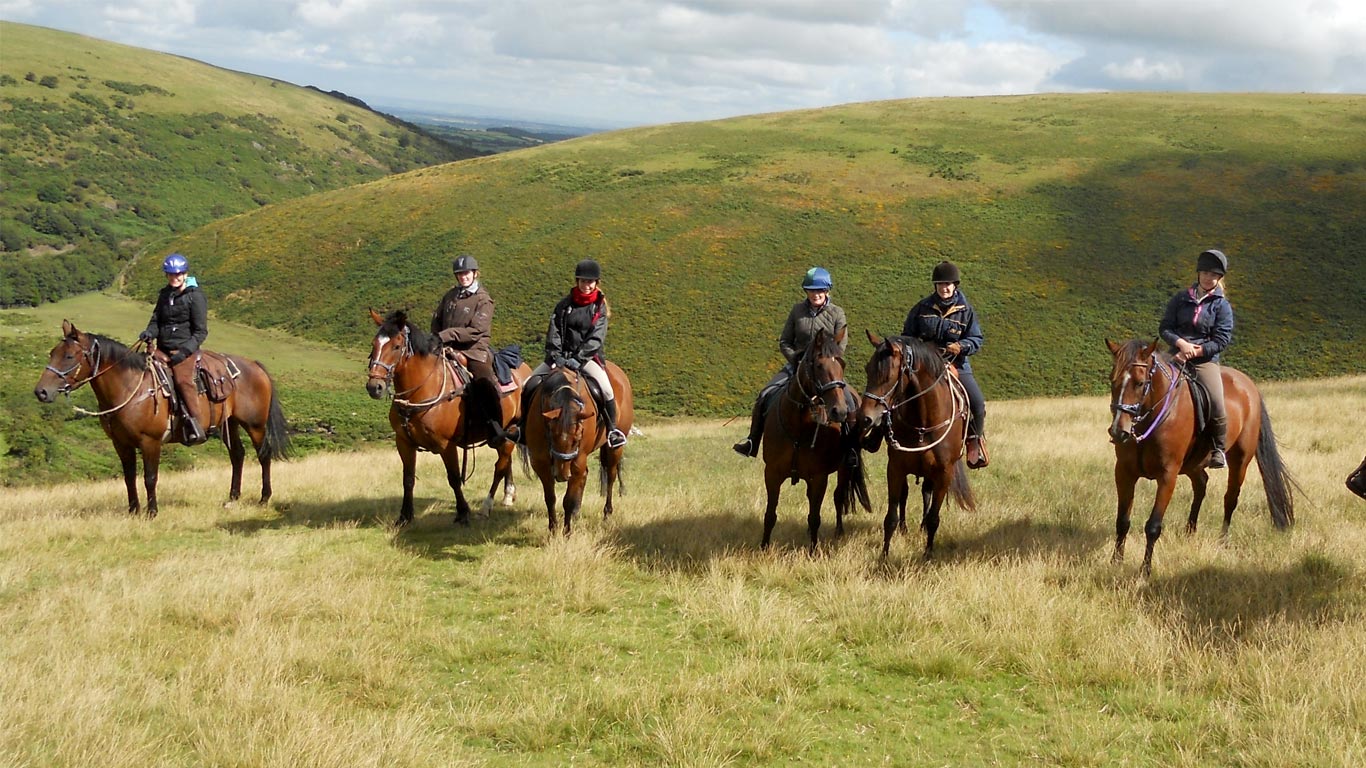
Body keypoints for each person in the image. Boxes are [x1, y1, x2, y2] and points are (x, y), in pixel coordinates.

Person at [733, 267, 849, 458]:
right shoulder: (797, 310)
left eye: (819, 290)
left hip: (826, 369)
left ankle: (849, 449)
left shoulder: (837, 313)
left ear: (827, 291)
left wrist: (827, 362)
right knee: (764, 395)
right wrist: (796, 359)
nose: (815, 294)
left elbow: (840, 344)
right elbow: (785, 341)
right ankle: (752, 442)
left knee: (849, 403)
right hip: (796, 366)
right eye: (811, 290)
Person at [520, 259, 627, 448]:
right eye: (583, 281)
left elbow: (596, 338)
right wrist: (556, 355)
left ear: (596, 283)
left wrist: (578, 359)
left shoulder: (599, 307)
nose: (586, 285)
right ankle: (521, 429)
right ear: (577, 281)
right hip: (560, 357)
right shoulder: (563, 305)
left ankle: (612, 431)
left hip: (587, 359)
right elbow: (554, 331)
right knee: (528, 385)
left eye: (590, 282)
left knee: (607, 390)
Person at [902, 260, 989, 468]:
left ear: (955, 285)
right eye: (941, 284)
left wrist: (961, 346)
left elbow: (977, 339)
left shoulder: (966, 311)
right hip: (925, 366)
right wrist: (920, 350)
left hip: (956, 365)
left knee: (978, 404)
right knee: (894, 395)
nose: (945, 288)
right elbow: (907, 336)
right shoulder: (922, 308)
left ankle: (974, 443)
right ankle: (879, 436)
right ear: (935, 286)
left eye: (949, 284)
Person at [1159, 248, 1234, 469]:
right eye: (1204, 273)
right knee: (1146, 382)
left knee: (1217, 400)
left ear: (1218, 278)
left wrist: (1197, 351)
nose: (1207, 278)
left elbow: (1221, 340)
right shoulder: (1181, 298)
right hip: (1176, 352)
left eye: (1212, 275)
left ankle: (1218, 448)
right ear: (1198, 274)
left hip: (1204, 360)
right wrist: (1180, 344)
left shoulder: (1222, 306)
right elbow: (1165, 327)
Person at [431, 254, 509, 447]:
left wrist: (446, 335)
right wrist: (436, 336)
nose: (463, 277)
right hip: (446, 347)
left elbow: (476, 331)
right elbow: (437, 318)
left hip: (474, 350)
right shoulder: (450, 295)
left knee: (484, 381)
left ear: (475, 273)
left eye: (466, 273)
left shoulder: (483, 299)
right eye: (459, 274)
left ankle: (495, 426)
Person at [138, 252, 209, 445]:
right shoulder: (164, 295)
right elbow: (156, 321)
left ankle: (196, 425)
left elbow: (201, 332)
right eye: (170, 274)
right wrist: (149, 333)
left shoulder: (195, 297)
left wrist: (183, 353)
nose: (174, 278)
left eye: (178, 274)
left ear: (185, 274)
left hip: (185, 350)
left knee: (183, 380)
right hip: (161, 349)